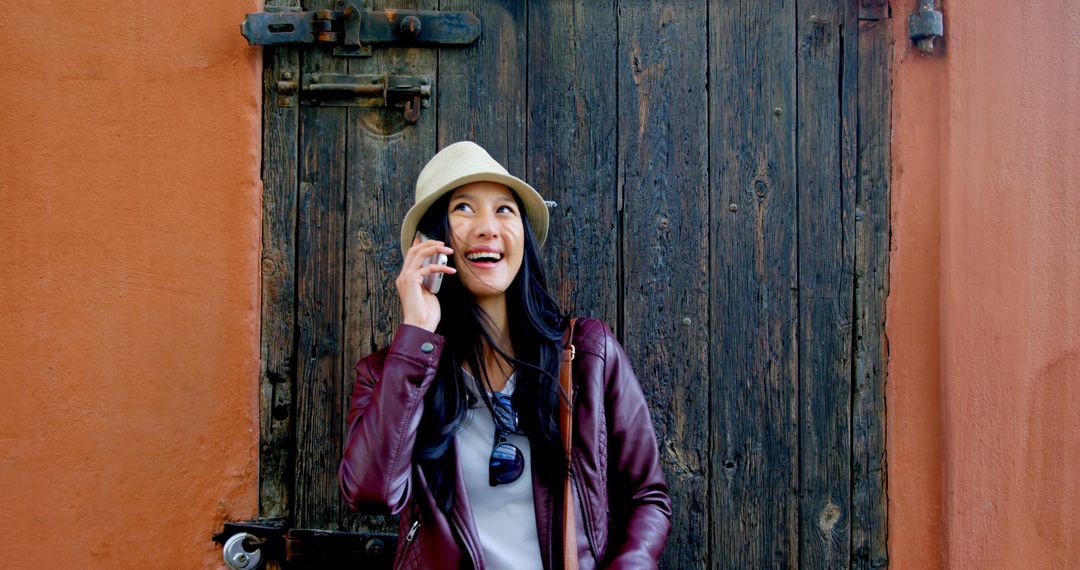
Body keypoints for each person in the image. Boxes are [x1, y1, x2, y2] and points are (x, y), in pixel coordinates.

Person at [339, 141, 672, 569]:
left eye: (504, 210)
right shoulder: (391, 372)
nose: (487, 227)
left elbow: (647, 497)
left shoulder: (588, 354)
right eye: (463, 208)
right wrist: (416, 333)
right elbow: (371, 492)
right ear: (430, 243)